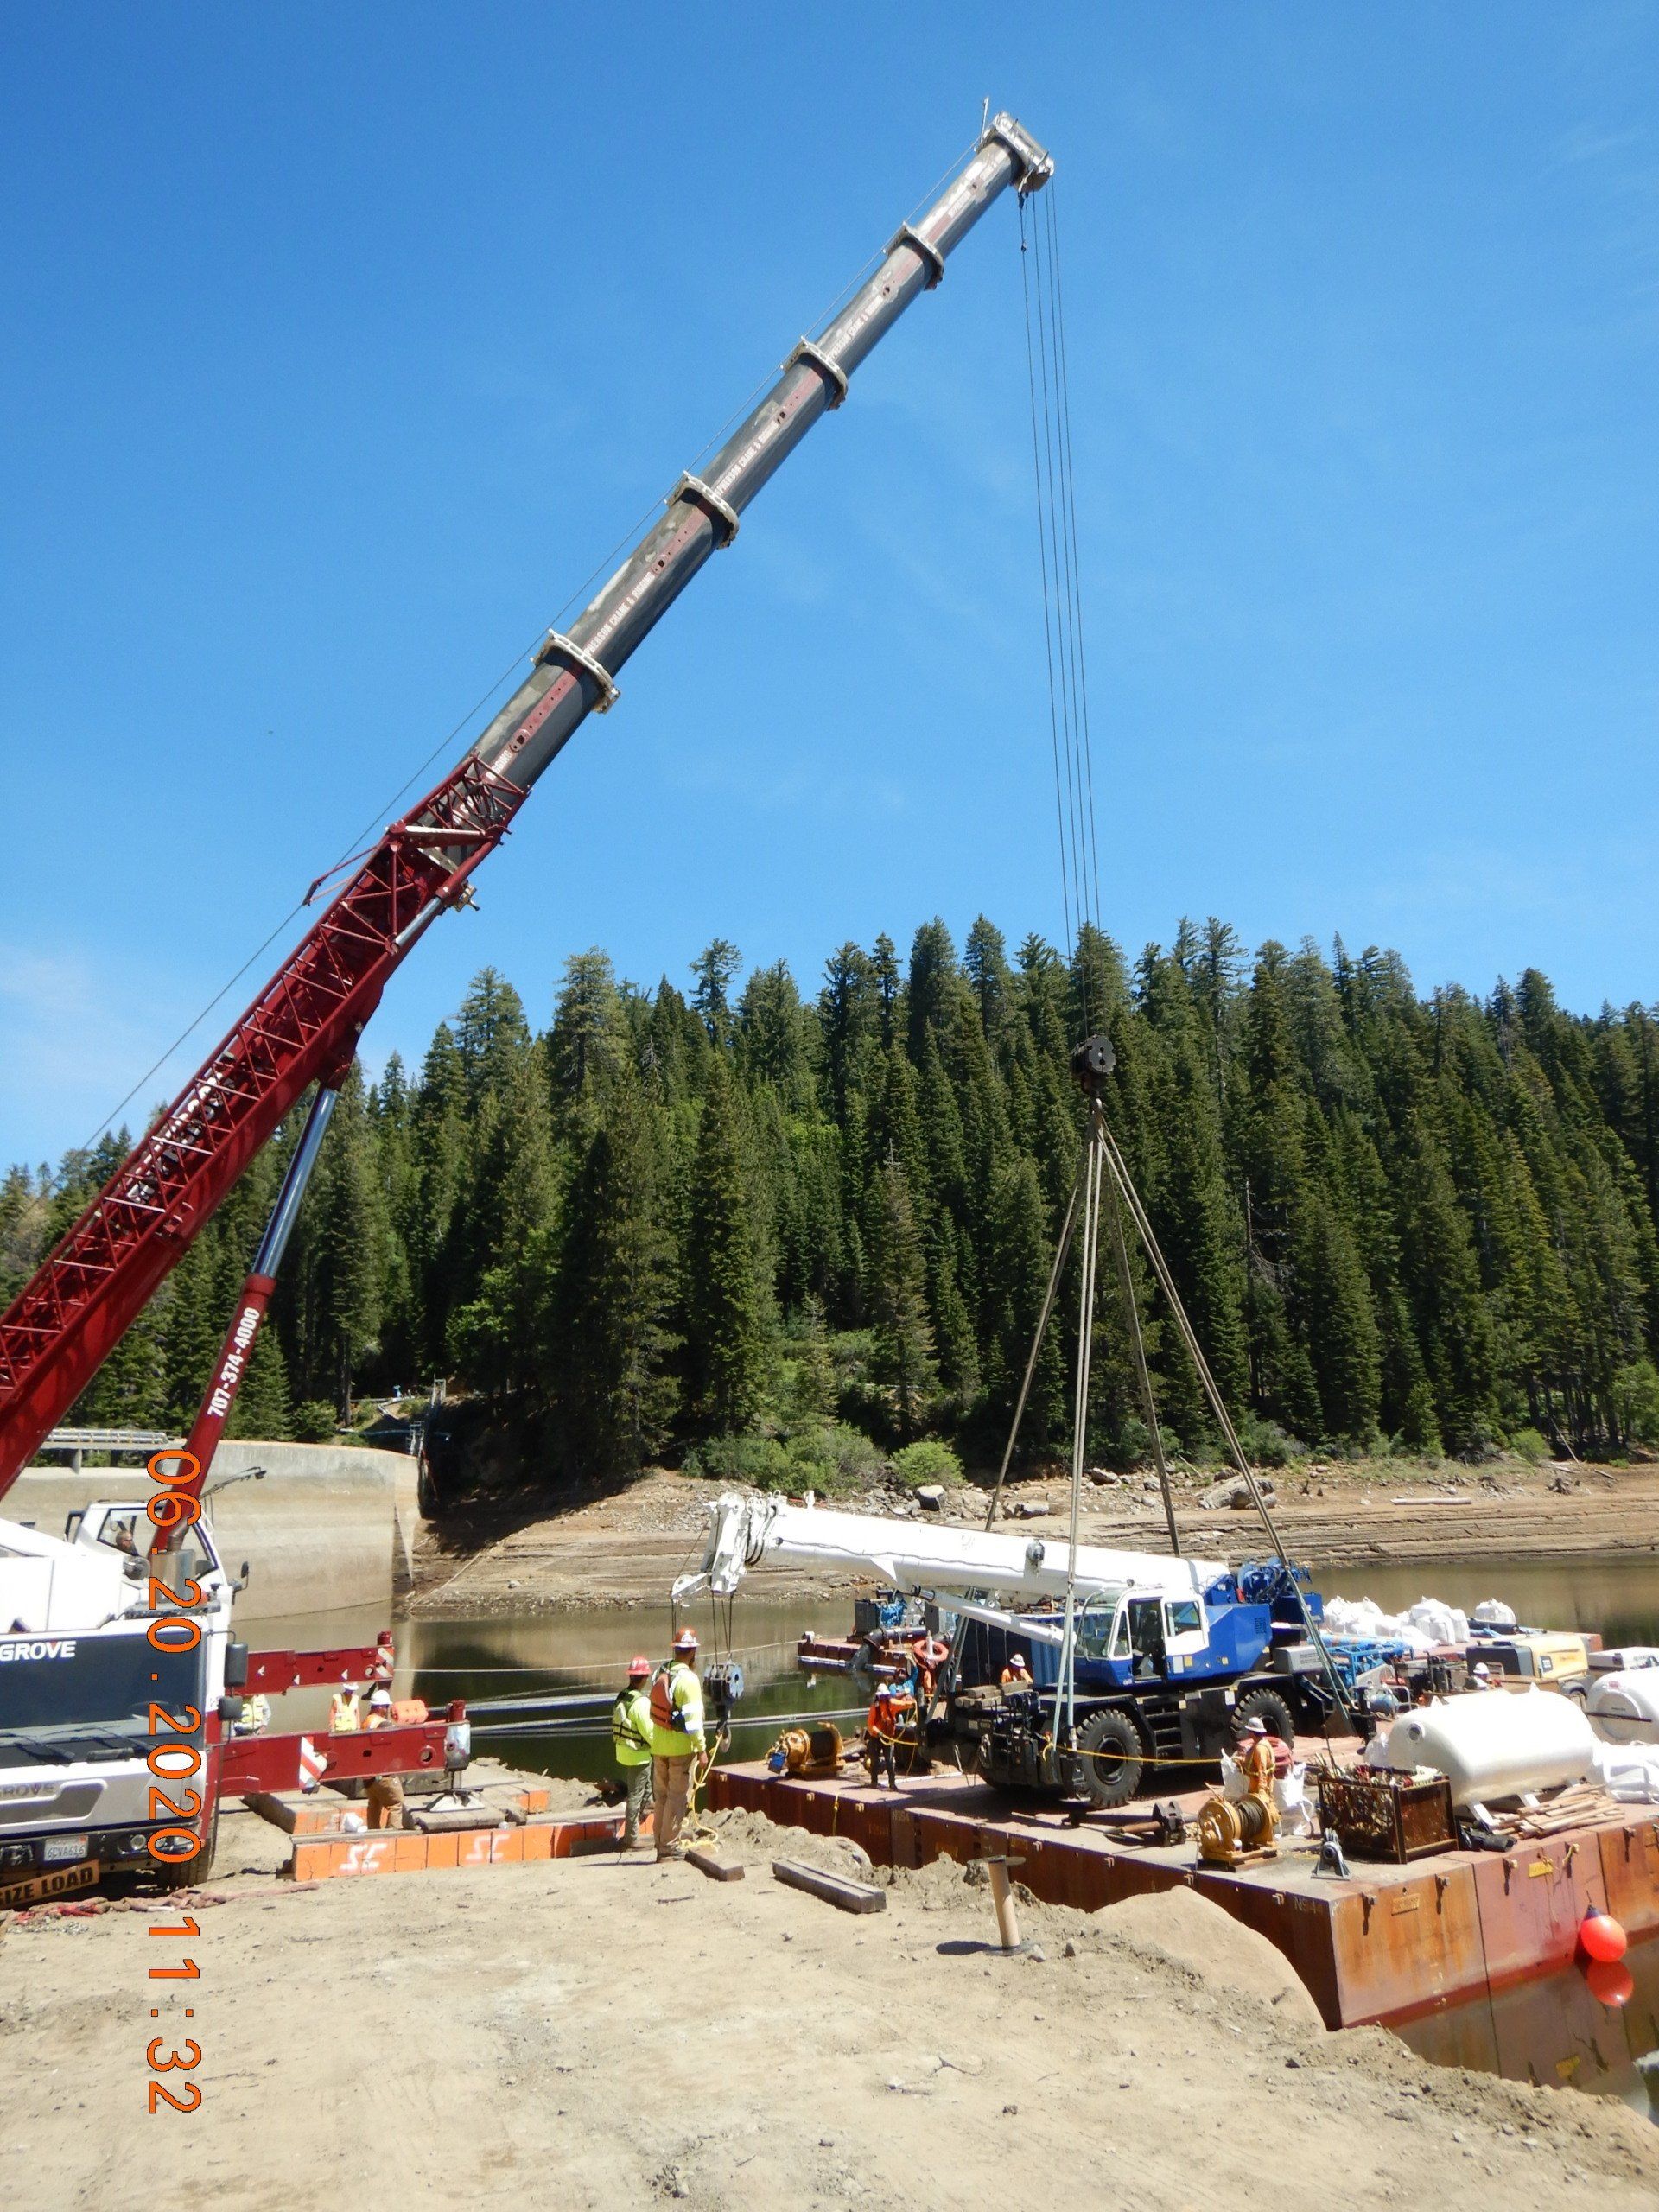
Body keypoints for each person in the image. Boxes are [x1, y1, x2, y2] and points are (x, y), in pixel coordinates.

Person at [648, 1628, 705, 1861]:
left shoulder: (660, 1672)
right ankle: (668, 1848)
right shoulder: (689, 1680)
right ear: (692, 1652)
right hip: (680, 1749)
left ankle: (660, 1842)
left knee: (661, 1797)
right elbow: (693, 1721)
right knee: (677, 1797)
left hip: (658, 1747)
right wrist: (701, 1749)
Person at [611, 1656, 656, 1851]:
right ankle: (631, 1838)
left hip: (624, 1750)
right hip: (638, 1754)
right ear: (644, 1678)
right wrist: (662, 1746)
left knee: (645, 1786)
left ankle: (649, 1805)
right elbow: (649, 1732)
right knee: (635, 1795)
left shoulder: (623, 1696)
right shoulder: (641, 1703)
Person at [866, 1682, 916, 1790]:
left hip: (887, 1738)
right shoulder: (874, 1708)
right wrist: (878, 1732)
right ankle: (874, 1782)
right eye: (882, 1697)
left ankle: (892, 1783)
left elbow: (902, 1704)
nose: (884, 1698)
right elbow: (870, 1724)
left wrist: (912, 1703)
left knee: (889, 1761)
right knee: (874, 1761)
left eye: (885, 1696)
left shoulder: (891, 1704)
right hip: (876, 1738)